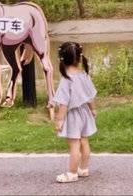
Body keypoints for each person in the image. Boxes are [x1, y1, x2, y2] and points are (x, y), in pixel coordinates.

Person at [53, 42, 97, 183]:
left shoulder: (66, 79)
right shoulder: (84, 75)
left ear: (61, 59)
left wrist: (59, 120)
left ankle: (71, 173)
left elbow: (64, 104)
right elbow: (90, 97)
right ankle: (83, 169)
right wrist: (93, 110)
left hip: (73, 116)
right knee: (84, 141)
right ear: (79, 57)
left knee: (74, 145)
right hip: (85, 113)